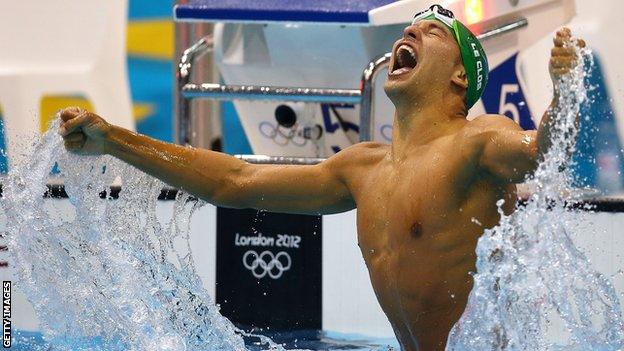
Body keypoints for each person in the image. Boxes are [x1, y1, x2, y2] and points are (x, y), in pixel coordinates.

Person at [58, 5, 584, 350]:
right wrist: (113, 141)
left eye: (430, 32)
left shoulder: (478, 142)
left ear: (459, 76)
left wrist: (563, 94)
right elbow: (234, 182)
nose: (409, 32)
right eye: (410, 27)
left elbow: (542, 150)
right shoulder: (362, 169)